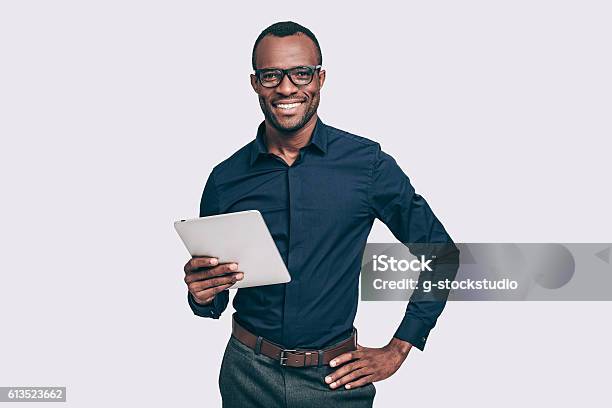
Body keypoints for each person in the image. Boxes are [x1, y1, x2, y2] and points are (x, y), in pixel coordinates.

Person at [183, 21, 459, 408]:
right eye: (270, 75)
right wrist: (200, 292)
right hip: (245, 376)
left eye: (301, 73)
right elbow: (212, 302)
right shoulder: (225, 179)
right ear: (255, 83)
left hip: (335, 381)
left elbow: (442, 254)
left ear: (320, 78)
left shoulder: (368, 166)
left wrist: (399, 348)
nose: (286, 87)